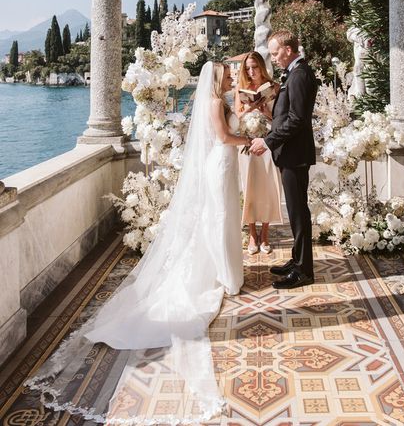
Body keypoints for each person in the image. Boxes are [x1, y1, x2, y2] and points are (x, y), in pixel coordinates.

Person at [25, 61, 249, 424]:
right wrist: (249, 140)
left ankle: (223, 270)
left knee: (220, 218)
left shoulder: (220, 100)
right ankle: (222, 272)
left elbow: (229, 123)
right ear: (217, 77)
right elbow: (224, 138)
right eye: (227, 74)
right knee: (218, 218)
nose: (230, 78)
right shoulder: (212, 105)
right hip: (221, 162)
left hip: (223, 165)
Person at [250, 31, 318, 290]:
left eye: (276, 52)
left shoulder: (300, 75)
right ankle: (297, 260)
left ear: (289, 50)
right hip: (291, 153)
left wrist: (267, 141)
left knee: (299, 213)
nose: (274, 58)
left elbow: (298, 119)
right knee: (295, 211)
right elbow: (287, 115)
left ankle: (304, 271)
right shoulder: (295, 72)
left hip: (295, 155)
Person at [235, 51, 283, 254]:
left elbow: (280, 120)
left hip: (267, 144)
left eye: (254, 67)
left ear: (262, 67)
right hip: (246, 144)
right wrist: (249, 108)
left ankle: (265, 234)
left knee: (268, 188)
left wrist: (264, 111)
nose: (251, 71)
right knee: (249, 188)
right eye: (248, 68)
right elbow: (235, 118)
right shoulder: (240, 89)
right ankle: (252, 234)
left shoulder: (274, 88)